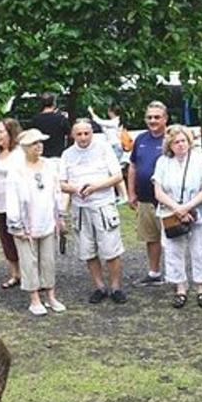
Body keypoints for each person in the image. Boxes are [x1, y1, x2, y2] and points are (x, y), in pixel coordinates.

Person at [60, 119, 128, 305]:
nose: (83, 137)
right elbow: (61, 183)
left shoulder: (104, 148)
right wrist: (75, 189)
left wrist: (96, 186)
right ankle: (99, 287)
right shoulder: (67, 154)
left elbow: (117, 176)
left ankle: (116, 287)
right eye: (79, 134)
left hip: (103, 205)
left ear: (92, 133)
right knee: (87, 250)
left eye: (86, 133)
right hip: (80, 208)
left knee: (111, 248)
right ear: (73, 135)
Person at [152, 124, 202, 309]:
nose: (180, 145)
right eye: (176, 142)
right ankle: (180, 288)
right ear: (169, 145)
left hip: (196, 211)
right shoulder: (163, 162)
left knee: (200, 249)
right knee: (173, 250)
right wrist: (177, 208)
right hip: (171, 212)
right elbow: (158, 191)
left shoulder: (199, 160)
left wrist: (187, 207)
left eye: (183, 141)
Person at [5, 129, 66, 317]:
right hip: (26, 224)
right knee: (29, 261)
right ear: (25, 147)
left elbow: (56, 192)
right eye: (34, 143)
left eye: (40, 142)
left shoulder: (49, 165)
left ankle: (51, 295)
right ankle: (34, 298)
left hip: (47, 220)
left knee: (48, 260)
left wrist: (60, 216)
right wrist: (16, 224)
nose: (39, 146)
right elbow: (12, 199)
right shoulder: (16, 171)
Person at [127, 101, 168, 285]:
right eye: (149, 117)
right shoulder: (141, 139)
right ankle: (154, 273)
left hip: (168, 200)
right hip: (144, 198)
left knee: (174, 239)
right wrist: (131, 193)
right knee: (151, 238)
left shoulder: (172, 139)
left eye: (157, 117)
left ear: (165, 119)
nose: (153, 120)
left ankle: (177, 276)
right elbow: (133, 166)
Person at [0, 117, 23, 290]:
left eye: (1, 131)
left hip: (14, 203)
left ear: (11, 133)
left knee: (19, 237)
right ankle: (14, 273)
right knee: (5, 238)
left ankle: (28, 273)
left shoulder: (19, 154)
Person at [89, 103, 131, 202]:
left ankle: (123, 196)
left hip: (115, 147)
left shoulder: (115, 122)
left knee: (115, 172)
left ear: (111, 112)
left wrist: (92, 112)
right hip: (113, 147)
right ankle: (120, 195)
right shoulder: (115, 122)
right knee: (113, 172)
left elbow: (99, 121)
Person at [30, 92, 71, 158]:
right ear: (54, 103)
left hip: (41, 155)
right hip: (58, 156)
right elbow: (70, 135)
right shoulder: (61, 119)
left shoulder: (35, 119)